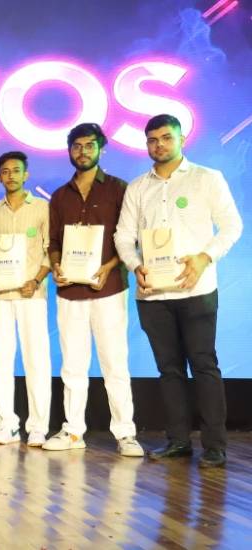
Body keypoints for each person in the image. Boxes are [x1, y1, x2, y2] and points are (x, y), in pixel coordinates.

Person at [115, 114, 243, 468]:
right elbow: (123, 236)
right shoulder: (137, 187)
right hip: (153, 294)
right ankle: (178, 441)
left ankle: (214, 445)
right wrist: (134, 265)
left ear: (182, 139)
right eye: (152, 140)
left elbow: (231, 226)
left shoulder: (207, 178)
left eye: (166, 137)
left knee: (204, 366)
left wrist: (204, 257)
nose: (159, 145)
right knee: (169, 370)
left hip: (196, 289)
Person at [45, 123, 143, 457]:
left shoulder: (118, 189)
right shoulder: (60, 196)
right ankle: (73, 430)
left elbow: (130, 238)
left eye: (89, 145)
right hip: (70, 292)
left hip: (109, 288)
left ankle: (125, 433)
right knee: (72, 365)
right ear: (69, 150)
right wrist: (56, 265)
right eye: (76, 146)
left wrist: (109, 266)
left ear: (101, 148)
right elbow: (53, 241)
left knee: (115, 363)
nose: (82, 151)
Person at [0, 152, 51, 446]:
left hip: (31, 294)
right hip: (0, 296)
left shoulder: (42, 208)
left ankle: (38, 426)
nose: (10, 175)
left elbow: (50, 251)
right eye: (5, 171)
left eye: (16, 170)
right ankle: (7, 424)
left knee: (36, 359)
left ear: (26, 175)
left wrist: (35, 280)